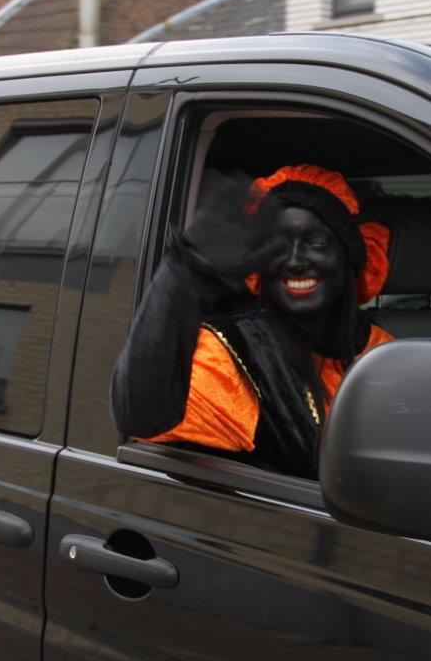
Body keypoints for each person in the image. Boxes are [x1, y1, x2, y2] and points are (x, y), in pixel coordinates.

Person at [111, 164, 392, 479]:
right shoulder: (234, 350)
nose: (295, 261)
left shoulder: (384, 353)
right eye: (279, 245)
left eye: (315, 243)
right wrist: (184, 271)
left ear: (349, 258)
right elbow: (141, 415)